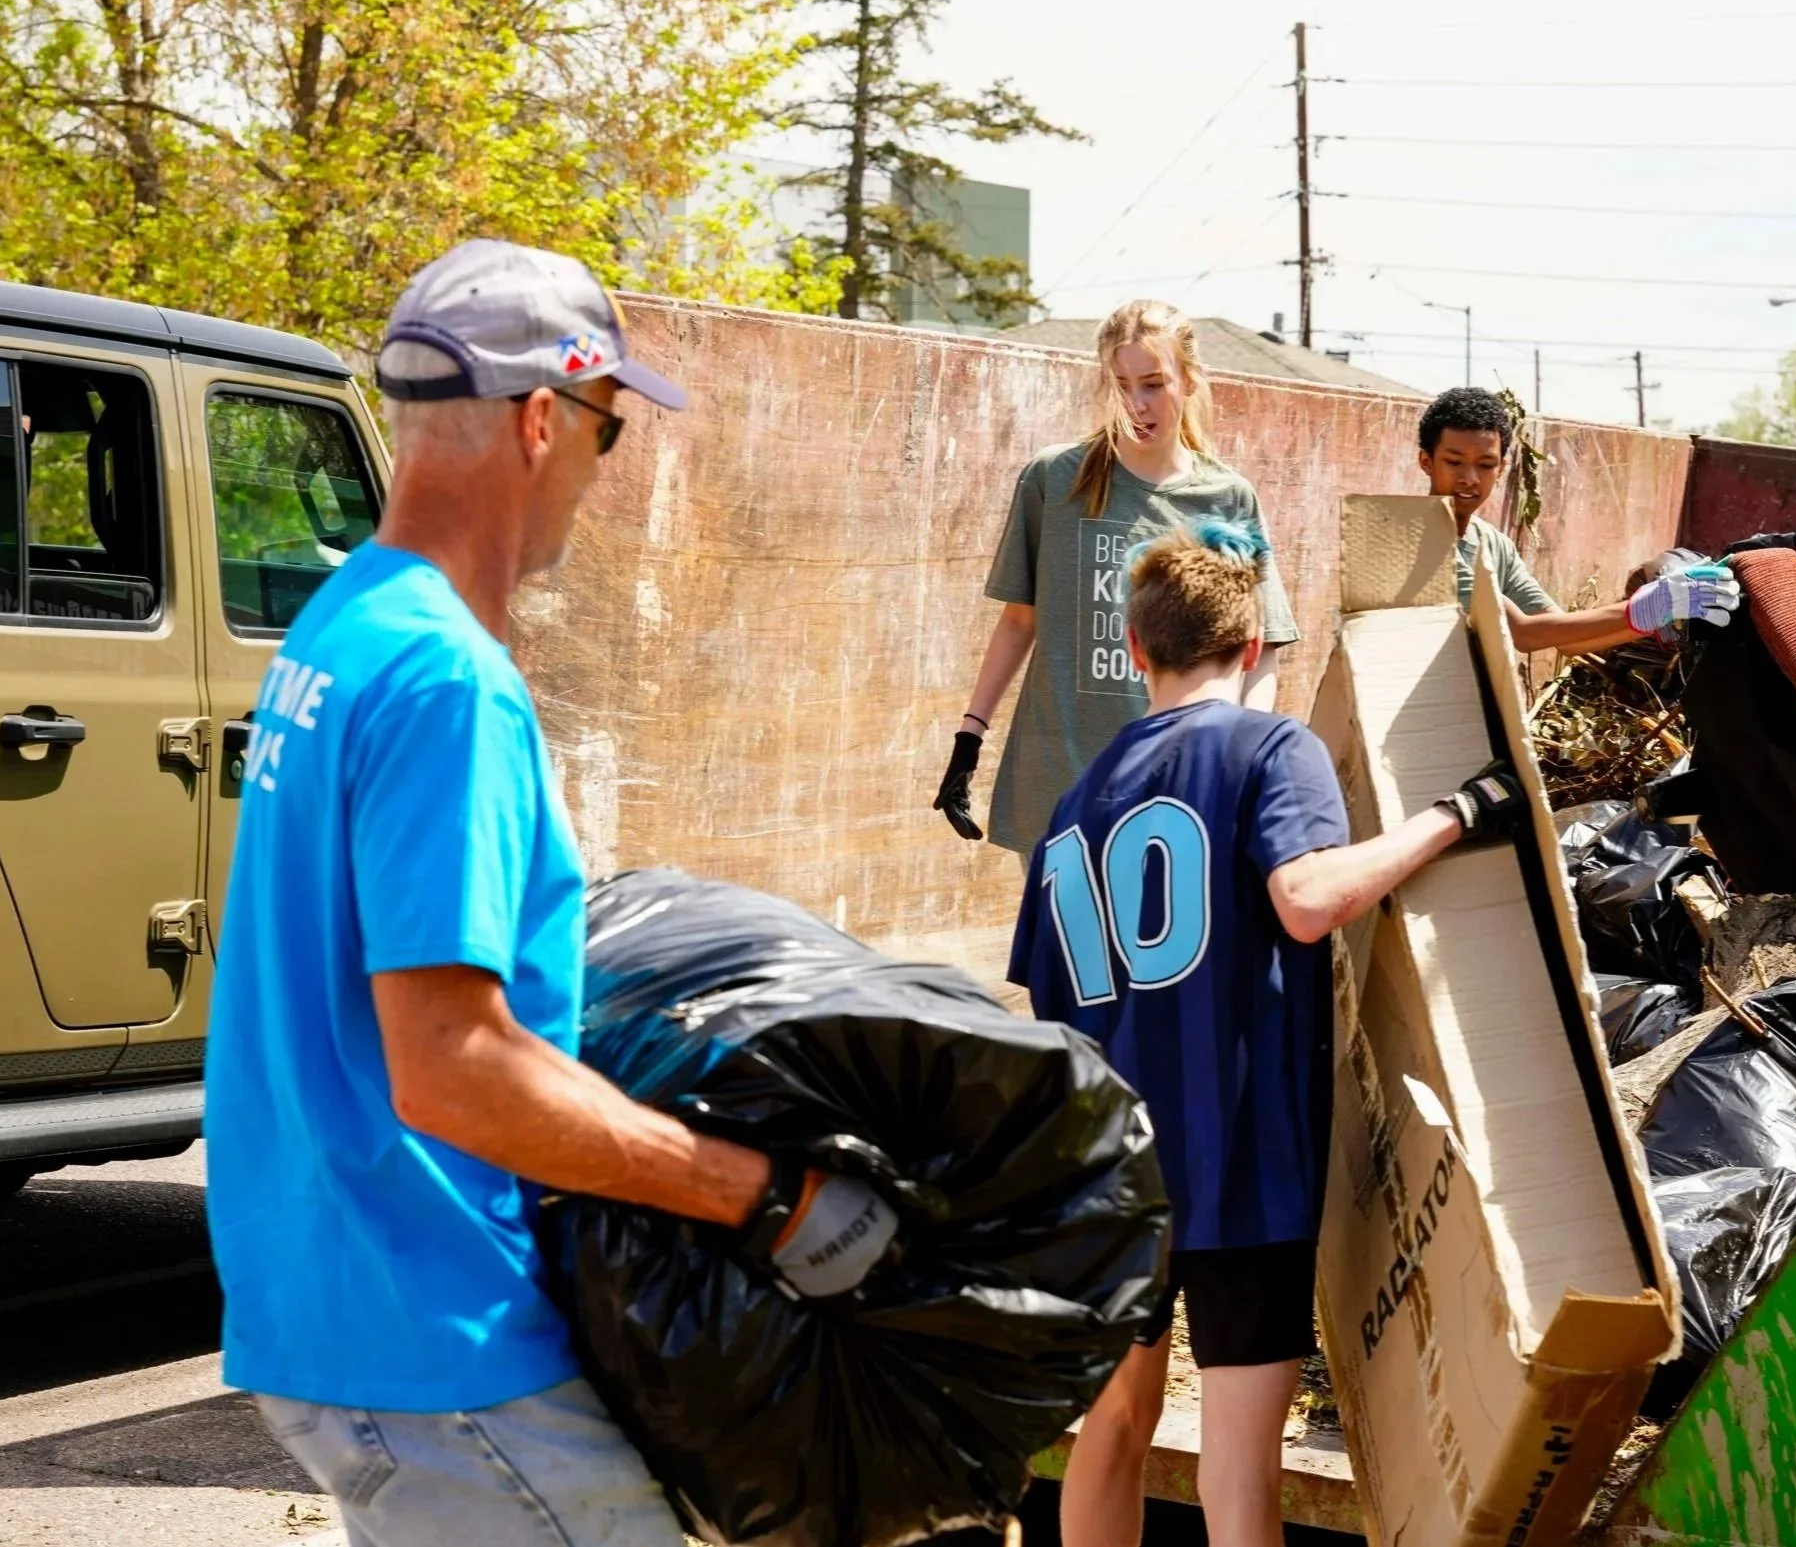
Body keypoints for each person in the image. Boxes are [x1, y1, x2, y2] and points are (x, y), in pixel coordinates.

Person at [204, 240, 897, 1547]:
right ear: (541, 419)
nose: (601, 467)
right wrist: (763, 1196)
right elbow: (453, 1068)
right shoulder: (443, 682)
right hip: (435, 1324)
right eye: (610, 430)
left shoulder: (340, 626)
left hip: (329, 1291)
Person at [1009, 518, 1512, 1547]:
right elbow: (1304, 897)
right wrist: (1453, 814)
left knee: (1108, 1428)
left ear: (1136, 650)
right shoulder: (1268, 745)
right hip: (1239, 1169)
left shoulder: (1069, 804)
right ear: (1249, 652)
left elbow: (1046, 1000)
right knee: (1238, 1475)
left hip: (1107, 1179)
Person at [931, 299, 1301, 855]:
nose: (1136, 403)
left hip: (1176, 786)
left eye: (1153, 383)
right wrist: (969, 736)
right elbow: (1018, 621)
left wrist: (1240, 755)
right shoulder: (1054, 479)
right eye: (1121, 383)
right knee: (1060, 942)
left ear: (1190, 379)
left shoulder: (1226, 498)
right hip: (1057, 778)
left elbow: (1263, 644)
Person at [1416, 385, 1739, 648]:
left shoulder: (1495, 545)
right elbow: (1521, 633)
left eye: (1485, 465)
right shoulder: (1416, 538)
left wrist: (1661, 614)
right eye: (1454, 462)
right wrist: (1646, 608)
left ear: (1501, 469)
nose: (1470, 478)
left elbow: (1565, 640)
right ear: (1427, 461)